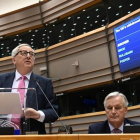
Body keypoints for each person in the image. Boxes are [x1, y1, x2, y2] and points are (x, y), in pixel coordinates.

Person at [0, 43, 58, 134]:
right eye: (23, 53)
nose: (28, 56)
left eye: (31, 54)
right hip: (4, 134)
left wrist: (37, 114)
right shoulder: (2, 80)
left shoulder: (44, 83)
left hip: (32, 135)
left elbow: (54, 112)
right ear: (14, 60)